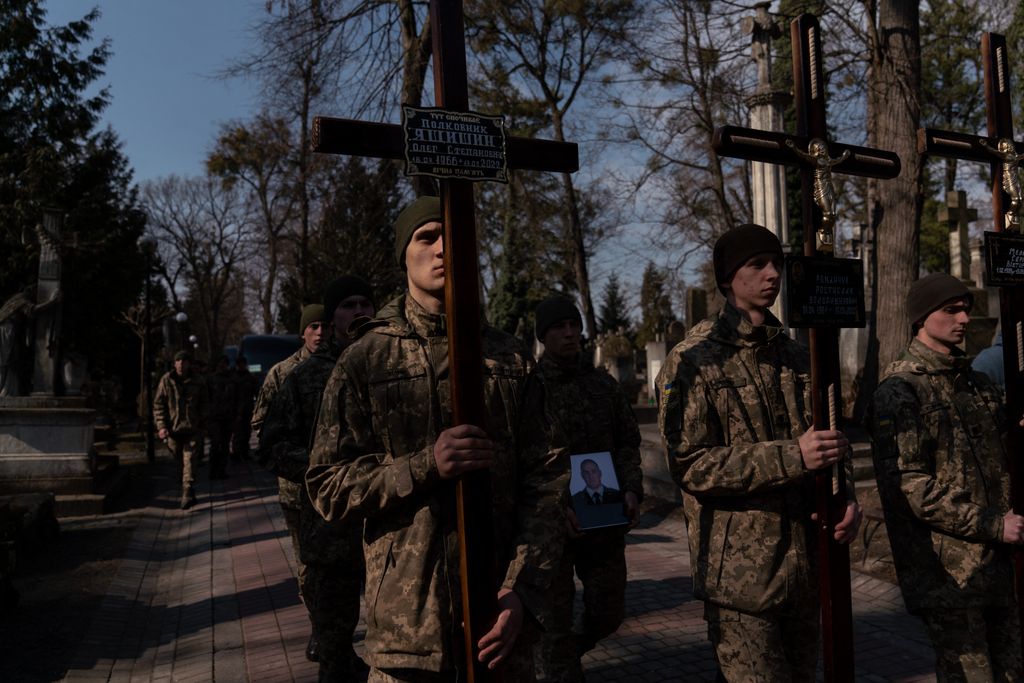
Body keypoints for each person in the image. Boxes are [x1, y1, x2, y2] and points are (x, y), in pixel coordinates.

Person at [306, 196, 566, 682]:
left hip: (500, 630)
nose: (445, 248)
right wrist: (425, 464)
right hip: (409, 637)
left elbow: (548, 481)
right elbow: (327, 486)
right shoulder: (367, 359)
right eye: (427, 237)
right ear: (404, 253)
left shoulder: (511, 359)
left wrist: (521, 590)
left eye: (456, 235)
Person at [656, 224, 862, 681]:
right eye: (758, 265)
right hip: (741, 580)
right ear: (729, 279)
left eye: (778, 264)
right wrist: (792, 458)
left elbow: (828, 439)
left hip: (805, 566)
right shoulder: (694, 359)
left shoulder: (795, 354)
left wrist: (845, 495)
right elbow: (690, 464)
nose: (773, 274)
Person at [871, 273, 1023, 681]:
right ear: (922, 319)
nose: (964, 318)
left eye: (966, 309)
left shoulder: (975, 382)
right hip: (949, 573)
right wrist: (993, 524)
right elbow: (911, 486)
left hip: (997, 562)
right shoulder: (901, 389)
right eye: (951, 310)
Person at [259, 275, 375, 681]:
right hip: (331, 534)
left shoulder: (390, 365)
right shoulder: (304, 378)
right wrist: (320, 468)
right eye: (348, 305)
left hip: (391, 530)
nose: (358, 311)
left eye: (365, 303)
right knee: (334, 647)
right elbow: (270, 445)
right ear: (331, 317)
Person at [526, 296, 642, 683]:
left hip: (603, 515)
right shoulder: (530, 388)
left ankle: (564, 654)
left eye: (574, 325)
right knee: (553, 630)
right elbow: (523, 460)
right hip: (552, 527)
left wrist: (631, 489)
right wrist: (557, 509)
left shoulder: (602, 385)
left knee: (608, 612)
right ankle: (558, 663)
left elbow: (627, 442)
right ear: (543, 334)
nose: (570, 333)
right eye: (559, 326)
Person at [252, 303, 325, 660]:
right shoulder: (282, 374)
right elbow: (261, 429)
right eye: (313, 327)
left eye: (324, 325)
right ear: (303, 332)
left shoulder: (342, 365)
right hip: (298, 492)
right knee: (308, 564)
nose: (320, 332)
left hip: (342, 489)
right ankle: (317, 627)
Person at [153, 350, 209, 509]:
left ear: (189, 363)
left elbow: (205, 404)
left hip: (193, 429)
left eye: (184, 361)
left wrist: (204, 425)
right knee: (179, 463)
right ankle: (186, 485)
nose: (181, 364)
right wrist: (162, 426)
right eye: (178, 361)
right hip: (173, 431)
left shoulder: (199, 381)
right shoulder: (166, 381)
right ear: (174, 363)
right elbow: (159, 405)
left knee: (190, 460)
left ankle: (187, 491)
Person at [206, 355, 236, 479]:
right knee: (215, 444)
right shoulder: (210, 379)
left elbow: (236, 398)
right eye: (220, 363)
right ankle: (213, 471)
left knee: (224, 445)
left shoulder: (232, 379)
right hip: (214, 418)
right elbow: (205, 398)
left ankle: (222, 470)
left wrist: (236, 414)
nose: (222, 366)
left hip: (228, 417)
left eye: (225, 363)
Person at [231, 355, 259, 461]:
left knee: (247, 432)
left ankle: (245, 452)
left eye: (243, 364)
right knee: (237, 433)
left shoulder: (250, 378)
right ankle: (236, 452)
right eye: (239, 364)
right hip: (235, 409)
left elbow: (257, 392)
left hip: (248, 408)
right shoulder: (233, 378)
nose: (241, 366)